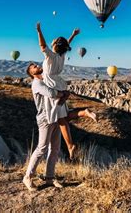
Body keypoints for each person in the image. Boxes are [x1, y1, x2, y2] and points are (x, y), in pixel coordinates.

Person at [23, 63, 97, 192]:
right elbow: (52, 93)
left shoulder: (48, 80)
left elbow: (60, 90)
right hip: (45, 119)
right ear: (31, 73)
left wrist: (64, 93)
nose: (37, 65)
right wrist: (64, 94)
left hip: (56, 116)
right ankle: (28, 177)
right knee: (42, 148)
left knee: (55, 148)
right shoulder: (36, 83)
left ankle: (49, 177)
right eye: (33, 67)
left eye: (36, 64)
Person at [36, 22, 96, 159]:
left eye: (55, 41)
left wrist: (39, 31)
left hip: (52, 87)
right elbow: (65, 44)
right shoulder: (61, 56)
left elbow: (42, 46)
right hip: (59, 84)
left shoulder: (51, 56)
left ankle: (70, 145)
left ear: (56, 45)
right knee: (62, 117)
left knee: (60, 119)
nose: (53, 41)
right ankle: (83, 113)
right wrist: (73, 35)